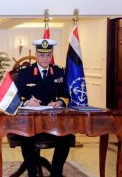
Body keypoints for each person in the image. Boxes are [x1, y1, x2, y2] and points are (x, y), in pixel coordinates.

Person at [14, 39, 73, 177]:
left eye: (49, 55)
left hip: (54, 121)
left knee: (66, 138)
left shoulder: (59, 73)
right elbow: (16, 96)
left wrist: (59, 102)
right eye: (42, 55)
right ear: (36, 55)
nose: (46, 58)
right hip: (30, 121)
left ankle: (56, 173)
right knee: (26, 139)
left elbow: (66, 95)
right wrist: (27, 102)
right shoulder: (25, 73)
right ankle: (32, 173)